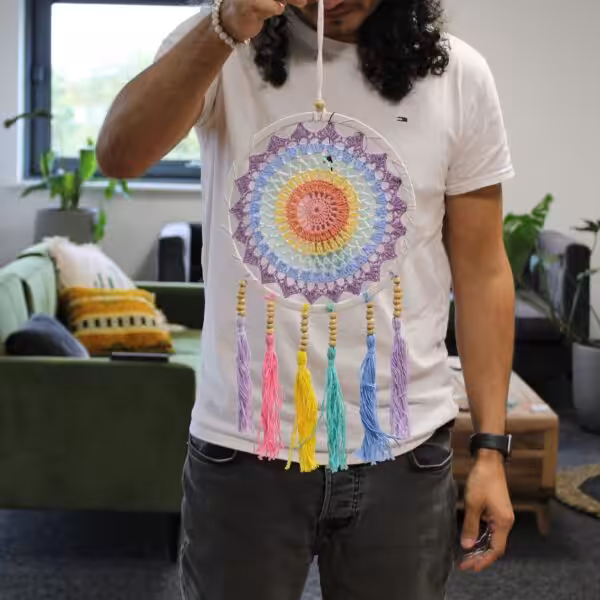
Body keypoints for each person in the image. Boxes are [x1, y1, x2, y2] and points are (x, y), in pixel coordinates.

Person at [97, 1, 516, 598]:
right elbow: (119, 155)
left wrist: (492, 450)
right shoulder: (219, 48)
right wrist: (225, 26)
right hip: (243, 449)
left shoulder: (459, 75)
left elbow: (483, 270)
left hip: (404, 453)